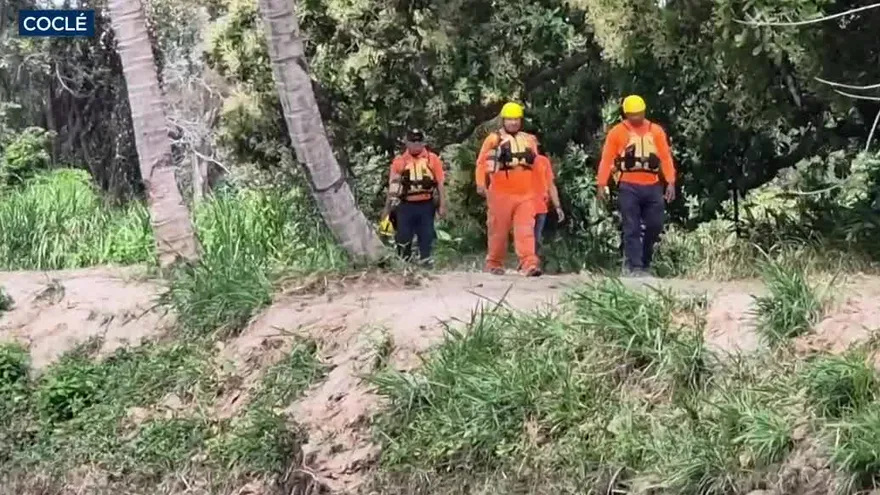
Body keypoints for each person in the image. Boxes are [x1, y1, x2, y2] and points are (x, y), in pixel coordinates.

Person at [596, 95, 676, 277]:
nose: (636, 118)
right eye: (632, 114)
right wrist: (602, 184)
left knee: (655, 225)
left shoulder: (655, 131)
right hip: (628, 185)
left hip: (653, 184)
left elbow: (665, 157)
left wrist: (670, 181)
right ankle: (635, 266)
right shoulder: (617, 132)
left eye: (639, 114)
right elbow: (607, 158)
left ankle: (645, 260)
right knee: (631, 226)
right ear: (626, 114)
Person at [475, 102, 543, 276]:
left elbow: (537, 167)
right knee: (498, 230)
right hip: (500, 193)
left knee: (526, 230)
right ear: (503, 120)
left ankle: (530, 264)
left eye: (516, 119)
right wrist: (481, 184)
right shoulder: (493, 139)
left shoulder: (529, 140)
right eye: (510, 119)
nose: (513, 122)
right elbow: (482, 163)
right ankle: (494, 263)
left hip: (526, 193)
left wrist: (541, 192)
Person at [383, 128, 447, 266]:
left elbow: (440, 184)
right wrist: (386, 211)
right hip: (405, 206)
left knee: (426, 235)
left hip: (426, 204)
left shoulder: (432, 159)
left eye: (419, 141)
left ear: (423, 143)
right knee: (403, 237)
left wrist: (442, 205)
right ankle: (405, 264)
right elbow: (392, 188)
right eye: (413, 141)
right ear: (407, 143)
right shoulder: (399, 162)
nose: (416, 144)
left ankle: (426, 262)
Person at [533, 149, 564, 252]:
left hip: (540, 207)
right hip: (523, 207)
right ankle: (526, 263)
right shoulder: (516, 163)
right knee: (526, 238)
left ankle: (531, 263)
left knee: (536, 238)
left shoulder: (543, 161)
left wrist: (558, 207)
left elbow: (551, 185)